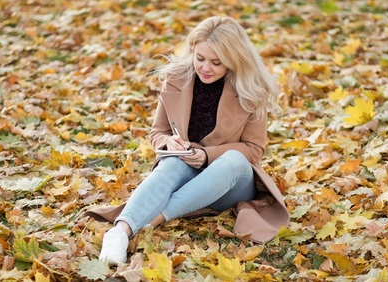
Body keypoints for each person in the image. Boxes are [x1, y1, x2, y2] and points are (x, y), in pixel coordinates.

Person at [83, 16, 290, 265]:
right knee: (172, 163)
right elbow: (157, 132)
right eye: (200, 58)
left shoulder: (251, 90)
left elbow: (254, 150)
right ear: (192, 50)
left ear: (234, 61)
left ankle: (155, 219)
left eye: (216, 62)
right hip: (184, 170)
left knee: (233, 160)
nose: (205, 68)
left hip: (229, 183)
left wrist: (207, 155)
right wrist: (168, 144)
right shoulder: (176, 79)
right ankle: (119, 233)